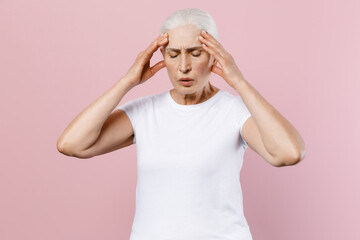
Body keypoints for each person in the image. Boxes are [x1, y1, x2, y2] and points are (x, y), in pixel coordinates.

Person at [57, 8, 306, 240]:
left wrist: (239, 82)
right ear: (163, 57)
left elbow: (288, 153)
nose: (183, 67)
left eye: (195, 53)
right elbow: (72, 144)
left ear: (213, 55)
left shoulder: (234, 111)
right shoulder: (146, 111)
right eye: (173, 55)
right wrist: (127, 81)